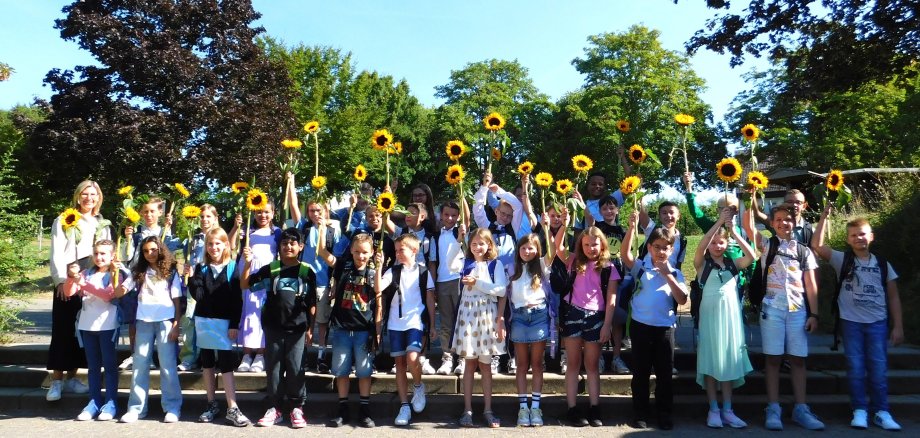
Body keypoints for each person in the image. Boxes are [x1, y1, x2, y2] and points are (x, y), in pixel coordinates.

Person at [812, 205, 903, 430]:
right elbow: (817, 246)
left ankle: (882, 411)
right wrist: (824, 217)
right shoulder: (842, 260)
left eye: (862, 233)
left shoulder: (883, 264)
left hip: (878, 323)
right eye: (853, 235)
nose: (859, 238)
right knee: (855, 367)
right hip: (851, 323)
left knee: (878, 368)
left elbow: (893, 297)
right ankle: (860, 410)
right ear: (848, 239)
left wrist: (898, 326)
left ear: (871, 236)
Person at [743, 203, 824, 431]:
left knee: (797, 359)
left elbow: (811, 285)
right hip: (772, 311)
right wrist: (750, 198)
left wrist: (814, 313)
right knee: (773, 359)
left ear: (795, 222)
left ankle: (801, 408)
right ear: (771, 223)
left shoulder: (804, 251)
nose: (783, 223)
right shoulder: (767, 245)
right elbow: (748, 227)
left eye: (787, 219)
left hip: (798, 311)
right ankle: (773, 407)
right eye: (777, 219)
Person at [241, 227, 316, 428]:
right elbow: (245, 284)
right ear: (279, 246)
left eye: (293, 243)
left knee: (295, 368)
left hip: (298, 329)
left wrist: (311, 328)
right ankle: (274, 408)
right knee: (274, 370)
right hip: (273, 328)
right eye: (284, 243)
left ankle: (297, 408)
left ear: (301, 247)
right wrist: (247, 264)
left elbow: (312, 303)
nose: (288, 247)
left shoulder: (306, 272)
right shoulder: (271, 269)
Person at [622, 211, 688, 431]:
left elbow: (682, 298)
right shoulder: (641, 267)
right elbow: (625, 255)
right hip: (641, 327)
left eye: (665, 247)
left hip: (665, 329)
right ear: (649, 248)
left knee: (665, 374)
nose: (661, 251)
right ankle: (640, 413)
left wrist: (667, 275)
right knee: (640, 372)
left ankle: (664, 413)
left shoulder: (676, 273)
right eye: (656, 246)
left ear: (671, 250)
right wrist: (632, 228)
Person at [693, 209, 755, 428]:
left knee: (728, 363)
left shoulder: (733, 264)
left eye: (721, 243)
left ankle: (728, 409)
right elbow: (701, 245)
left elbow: (751, 255)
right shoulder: (702, 265)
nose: (717, 246)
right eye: (714, 243)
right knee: (710, 363)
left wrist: (734, 233)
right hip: (710, 320)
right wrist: (719, 221)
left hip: (730, 321)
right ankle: (713, 409)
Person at [555, 220, 621, 428]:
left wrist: (607, 325)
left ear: (602, 244)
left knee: (592, 365)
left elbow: (611, 299)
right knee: (573, 363)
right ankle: (572, 408)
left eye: (595, 244)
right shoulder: (573, 260)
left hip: (596, 317)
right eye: (586, 245)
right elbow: (557, 247)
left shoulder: (610, 268)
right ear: (580, 246)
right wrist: (564, 225)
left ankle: (595, 407)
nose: (591, 249)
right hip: (573, 314)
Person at [47, 180, 108, 401]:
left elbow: (107, 252)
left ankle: (72, 377)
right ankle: (56, 381)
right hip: (68, 280)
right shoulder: (64, 219)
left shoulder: (103, 223)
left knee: (81, 332)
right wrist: (61, 280)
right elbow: (56, 253)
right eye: (85, 193)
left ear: (98, 198)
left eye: (93, 194)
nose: (89, 198)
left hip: (91, 281)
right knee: (63, 328)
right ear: (77, 195)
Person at [116, 236, 183, 423]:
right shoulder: (138, 271)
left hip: (165, 321)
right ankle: (136, 408)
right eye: (146, 251)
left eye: (153, 249)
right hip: (143, 321)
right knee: (140, 364)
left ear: (160, 249)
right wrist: (116, 273)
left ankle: (172, 407)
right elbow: (120, 291)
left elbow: (178, 300)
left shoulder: (170, 270)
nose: (150, 254)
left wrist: (176, 325)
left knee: (168, 365)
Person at [188, 228, 250, 427]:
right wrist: (190, 279)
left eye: (218, 243)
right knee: (207, 363)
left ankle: (233, 407)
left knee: (226, 364)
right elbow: (198, 297)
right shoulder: (201, 269)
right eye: (210, 244)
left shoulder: (232, 268)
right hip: (204, 322)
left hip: (224, 324)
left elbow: (236, 300)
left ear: (225, 245)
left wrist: (234, 324)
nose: (214, 247)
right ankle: (211, 403)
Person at [321, 231, 381, 428]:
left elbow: (379, 293)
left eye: (364, 252)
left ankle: (365, 409)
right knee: (342, 370)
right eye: (356, 252)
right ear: (351, 251)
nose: (360, 256)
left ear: (372, 252)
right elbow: (322, 252)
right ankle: (343, 408)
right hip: (342, 328)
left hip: (364, 329)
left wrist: (379, 267)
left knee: (364, 371)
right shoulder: (343, 267)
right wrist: (322, 227)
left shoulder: (373, 273)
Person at [376, 233, 436, 426]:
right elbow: (378, 288)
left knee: (412, 358)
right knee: (400, 364)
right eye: (396, 251)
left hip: (415, 322)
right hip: (395, 323)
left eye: (401, 250)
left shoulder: (423, 272)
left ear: (414, 251)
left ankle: (418, 386)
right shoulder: (392, 271)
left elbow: (429, 299)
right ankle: (404, 405)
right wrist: (378, 266)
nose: (398, 254)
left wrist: (433, 325)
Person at [449, 227, 508, 428]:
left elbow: (501, 289)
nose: (477, 247)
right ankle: (467, 409)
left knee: (485, 365)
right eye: (473, 244)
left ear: (489, 245)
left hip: (486, 316)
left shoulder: (495, 264)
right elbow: (450, 263)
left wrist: (478, 283)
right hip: (468, 316)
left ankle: (488, 410)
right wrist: (458, 241)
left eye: (481, 243)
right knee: (469, 364)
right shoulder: (466, 262)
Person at [64, 239, 124, 421]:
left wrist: (82, 282)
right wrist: (71, 276)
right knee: (93, 367)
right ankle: (94, 402)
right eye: (96, 253)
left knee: (110, 366)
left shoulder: (117, 273)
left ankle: (111, 402)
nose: (99, 257)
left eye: (104, 253)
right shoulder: (87, 272)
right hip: (86, 326)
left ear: (113, 255)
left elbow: (107, 295)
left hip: (107, 326)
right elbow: (68, 292)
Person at [119, 196, 179, 371]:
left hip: (158, 282)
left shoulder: (166, 231)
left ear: (160, 212)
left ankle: (166, 356)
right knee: (135, 320)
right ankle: (136, 354)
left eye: (152, 211)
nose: (149, 215)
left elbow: (171, 254)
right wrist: (128, 239)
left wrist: (169, 232)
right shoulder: (137, 233)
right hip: (137, 278)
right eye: (145, 211)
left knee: (161, 319)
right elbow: (127, 256)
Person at [290, 183, 343, 374]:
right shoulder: (303, 227)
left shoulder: (333, 231)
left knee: (322, 320)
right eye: (311, 210)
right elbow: (293, 206)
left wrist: (334, 284)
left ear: (326, 210)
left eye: (318, 210)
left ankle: (321, 355)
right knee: (304, 319)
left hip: (323, 282)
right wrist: (291, 180)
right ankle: (303, 354)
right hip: (304, 280)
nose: (315, 214)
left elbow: (336, 260)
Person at [508, 228, 556, 427]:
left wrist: (550, 229)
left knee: (537, 364)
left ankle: (535, 406)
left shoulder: (542, 267)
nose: (527, 251)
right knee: (521, 365)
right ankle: (523, 408)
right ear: (518, 249)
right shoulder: (511, 269)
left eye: (531, 248)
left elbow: (553, 252)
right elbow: (504, 295)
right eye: (524, 248)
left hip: (538, 316)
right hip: (519, 318)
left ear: (538, 250)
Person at [229, 200, 279, 373]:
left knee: (261, 314)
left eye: (266, 212)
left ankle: (260, 355)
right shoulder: (248, 231)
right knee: (246, 312)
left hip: (266, 277)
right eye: (258, 212)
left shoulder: (276, 232)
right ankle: (246, 353)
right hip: (247, 274)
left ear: (273, 213)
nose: (262, 215)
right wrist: (236, 228)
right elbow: (230, 246)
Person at [584, 194, 629, 375]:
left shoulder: (623, 230)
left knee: (617, 319)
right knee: (600, 318)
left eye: (612, 208)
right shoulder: (598, 228)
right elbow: (588, 219)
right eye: (605, 208)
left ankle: (617, 357)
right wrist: (583, 205)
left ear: (617, 210)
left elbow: (627, 252)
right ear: (600, 212)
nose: (609, 211)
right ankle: (600, 357)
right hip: (599, 278)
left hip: (618, 279)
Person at [391, 202, 437, 375]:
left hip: (422, 279)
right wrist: (389, 197)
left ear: (422, 216)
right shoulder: (400, 232)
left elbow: (432, 262)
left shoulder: (429, 237)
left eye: (412, 212)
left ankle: (421, 356)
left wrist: (433, 284)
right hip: (401, 278)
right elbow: (387, 222)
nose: (407, 215)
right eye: (406, 212)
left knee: (421, 318)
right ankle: (401, 358)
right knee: (402, 316)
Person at [178, 203, 221, 372]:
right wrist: (187, 269)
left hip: (213, 284)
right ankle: (189, 357)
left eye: (208, 216)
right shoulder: (192, 238)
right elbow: (184, 259)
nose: (204, 220)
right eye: (202, 217)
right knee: (189, 320)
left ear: (215, 219)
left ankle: (213, 357)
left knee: (212, 320)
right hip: (194, 284)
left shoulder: (218, 237)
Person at [428, 201, 466, 375]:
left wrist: (463, 195)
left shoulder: (463, 233)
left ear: (459, 216)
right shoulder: (436, 236)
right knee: (445, 322)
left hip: (460, 281)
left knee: (462, 320)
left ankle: (463, 357)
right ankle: (447, 357)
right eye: (446, 215)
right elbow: (434, 263)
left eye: (453, 215)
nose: (450, 218)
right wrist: (434, 285)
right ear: (441, 215)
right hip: (442, 282)